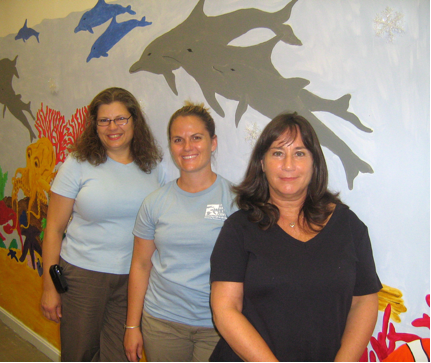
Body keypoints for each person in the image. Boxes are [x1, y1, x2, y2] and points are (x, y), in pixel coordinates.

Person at [210, 112, 382, 362]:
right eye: (278, 153)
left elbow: (363, 302)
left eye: (299, 153)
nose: (288, 165)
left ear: (314, 163)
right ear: (262, 162)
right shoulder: (238, 230)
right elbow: (225, 309)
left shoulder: (348, 226)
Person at [40, 87, 165, 361]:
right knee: (79, 354)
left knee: (121, 355)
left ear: (135, 121)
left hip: (134, 279)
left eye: (121, 119)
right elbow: (53, 230)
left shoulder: (155, 167)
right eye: (104, 120)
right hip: (83, 276)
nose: (113, 127)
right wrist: (50, 287)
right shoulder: (77, 164)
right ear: (94, 126)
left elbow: (179, 207)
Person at [124, 102, 238, 362]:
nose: (187, 147)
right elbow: (141, 265)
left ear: (213, 142)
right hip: (162, 323)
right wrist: (132, 326)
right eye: (178, 139)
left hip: (219, 325)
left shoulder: (236, 202)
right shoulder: (154, 203)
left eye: (196, 138)